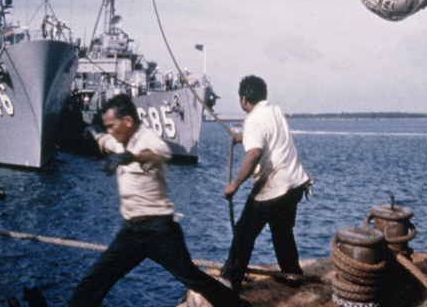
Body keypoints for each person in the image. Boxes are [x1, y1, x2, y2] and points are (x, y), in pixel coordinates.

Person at [67, 94, 248, 307]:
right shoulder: (117, 141)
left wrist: (130, 157)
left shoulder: (148, 138)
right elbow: (105, 141)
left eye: (111, 125)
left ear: (128, 121)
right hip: (131, 232)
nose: (109, 130)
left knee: (192, 278)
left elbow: (157, 153)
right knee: (95, 280)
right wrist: (94, 132)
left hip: (159, 230)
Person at [221, 76, 310, 292]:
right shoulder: (274, 110)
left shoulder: (252, 119)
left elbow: (253, 154)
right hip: (295, 184)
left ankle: (230, 280)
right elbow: (268, 134)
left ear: (243, 99)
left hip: (274, 187)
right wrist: (242, 137)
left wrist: (234, 185)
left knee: (244, 232)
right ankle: (292, 274)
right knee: (282, 230)